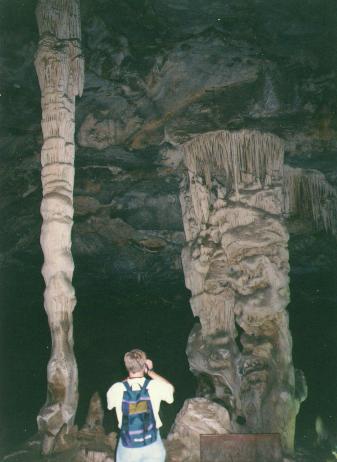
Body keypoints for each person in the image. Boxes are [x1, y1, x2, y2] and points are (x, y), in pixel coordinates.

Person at [107, 349, 174, 462]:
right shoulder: (155, 386)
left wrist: (129, 375)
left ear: (126, 366)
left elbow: (109, 406)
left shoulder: (116, 389)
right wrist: (150, 372)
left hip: (128, 446)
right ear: (145, 365)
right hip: (152, 444)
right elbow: (171, 389)